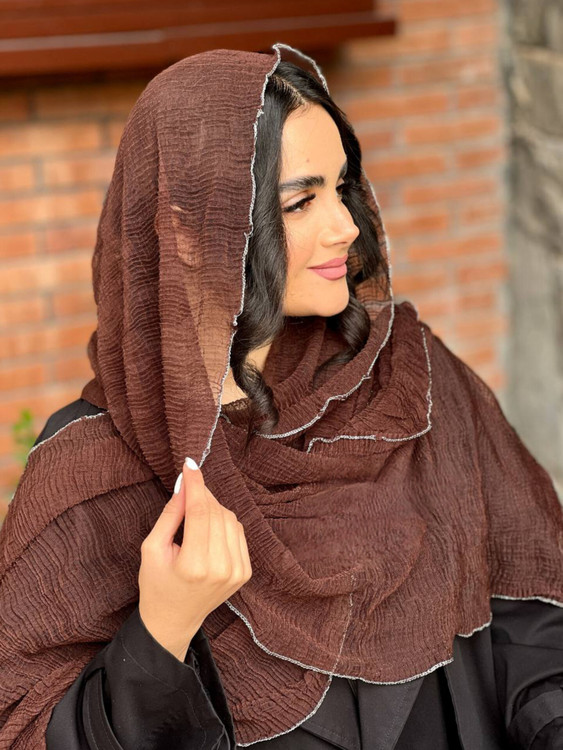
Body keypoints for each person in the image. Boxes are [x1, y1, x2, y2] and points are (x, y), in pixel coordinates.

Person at [0, 42, 562, 750]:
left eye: (341, 187)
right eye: (300, 201)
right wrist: (163, 627)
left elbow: (530, 619)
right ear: (187, 227)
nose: (345, 226)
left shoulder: (408, 382)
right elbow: (26, 729)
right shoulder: (93, 472)